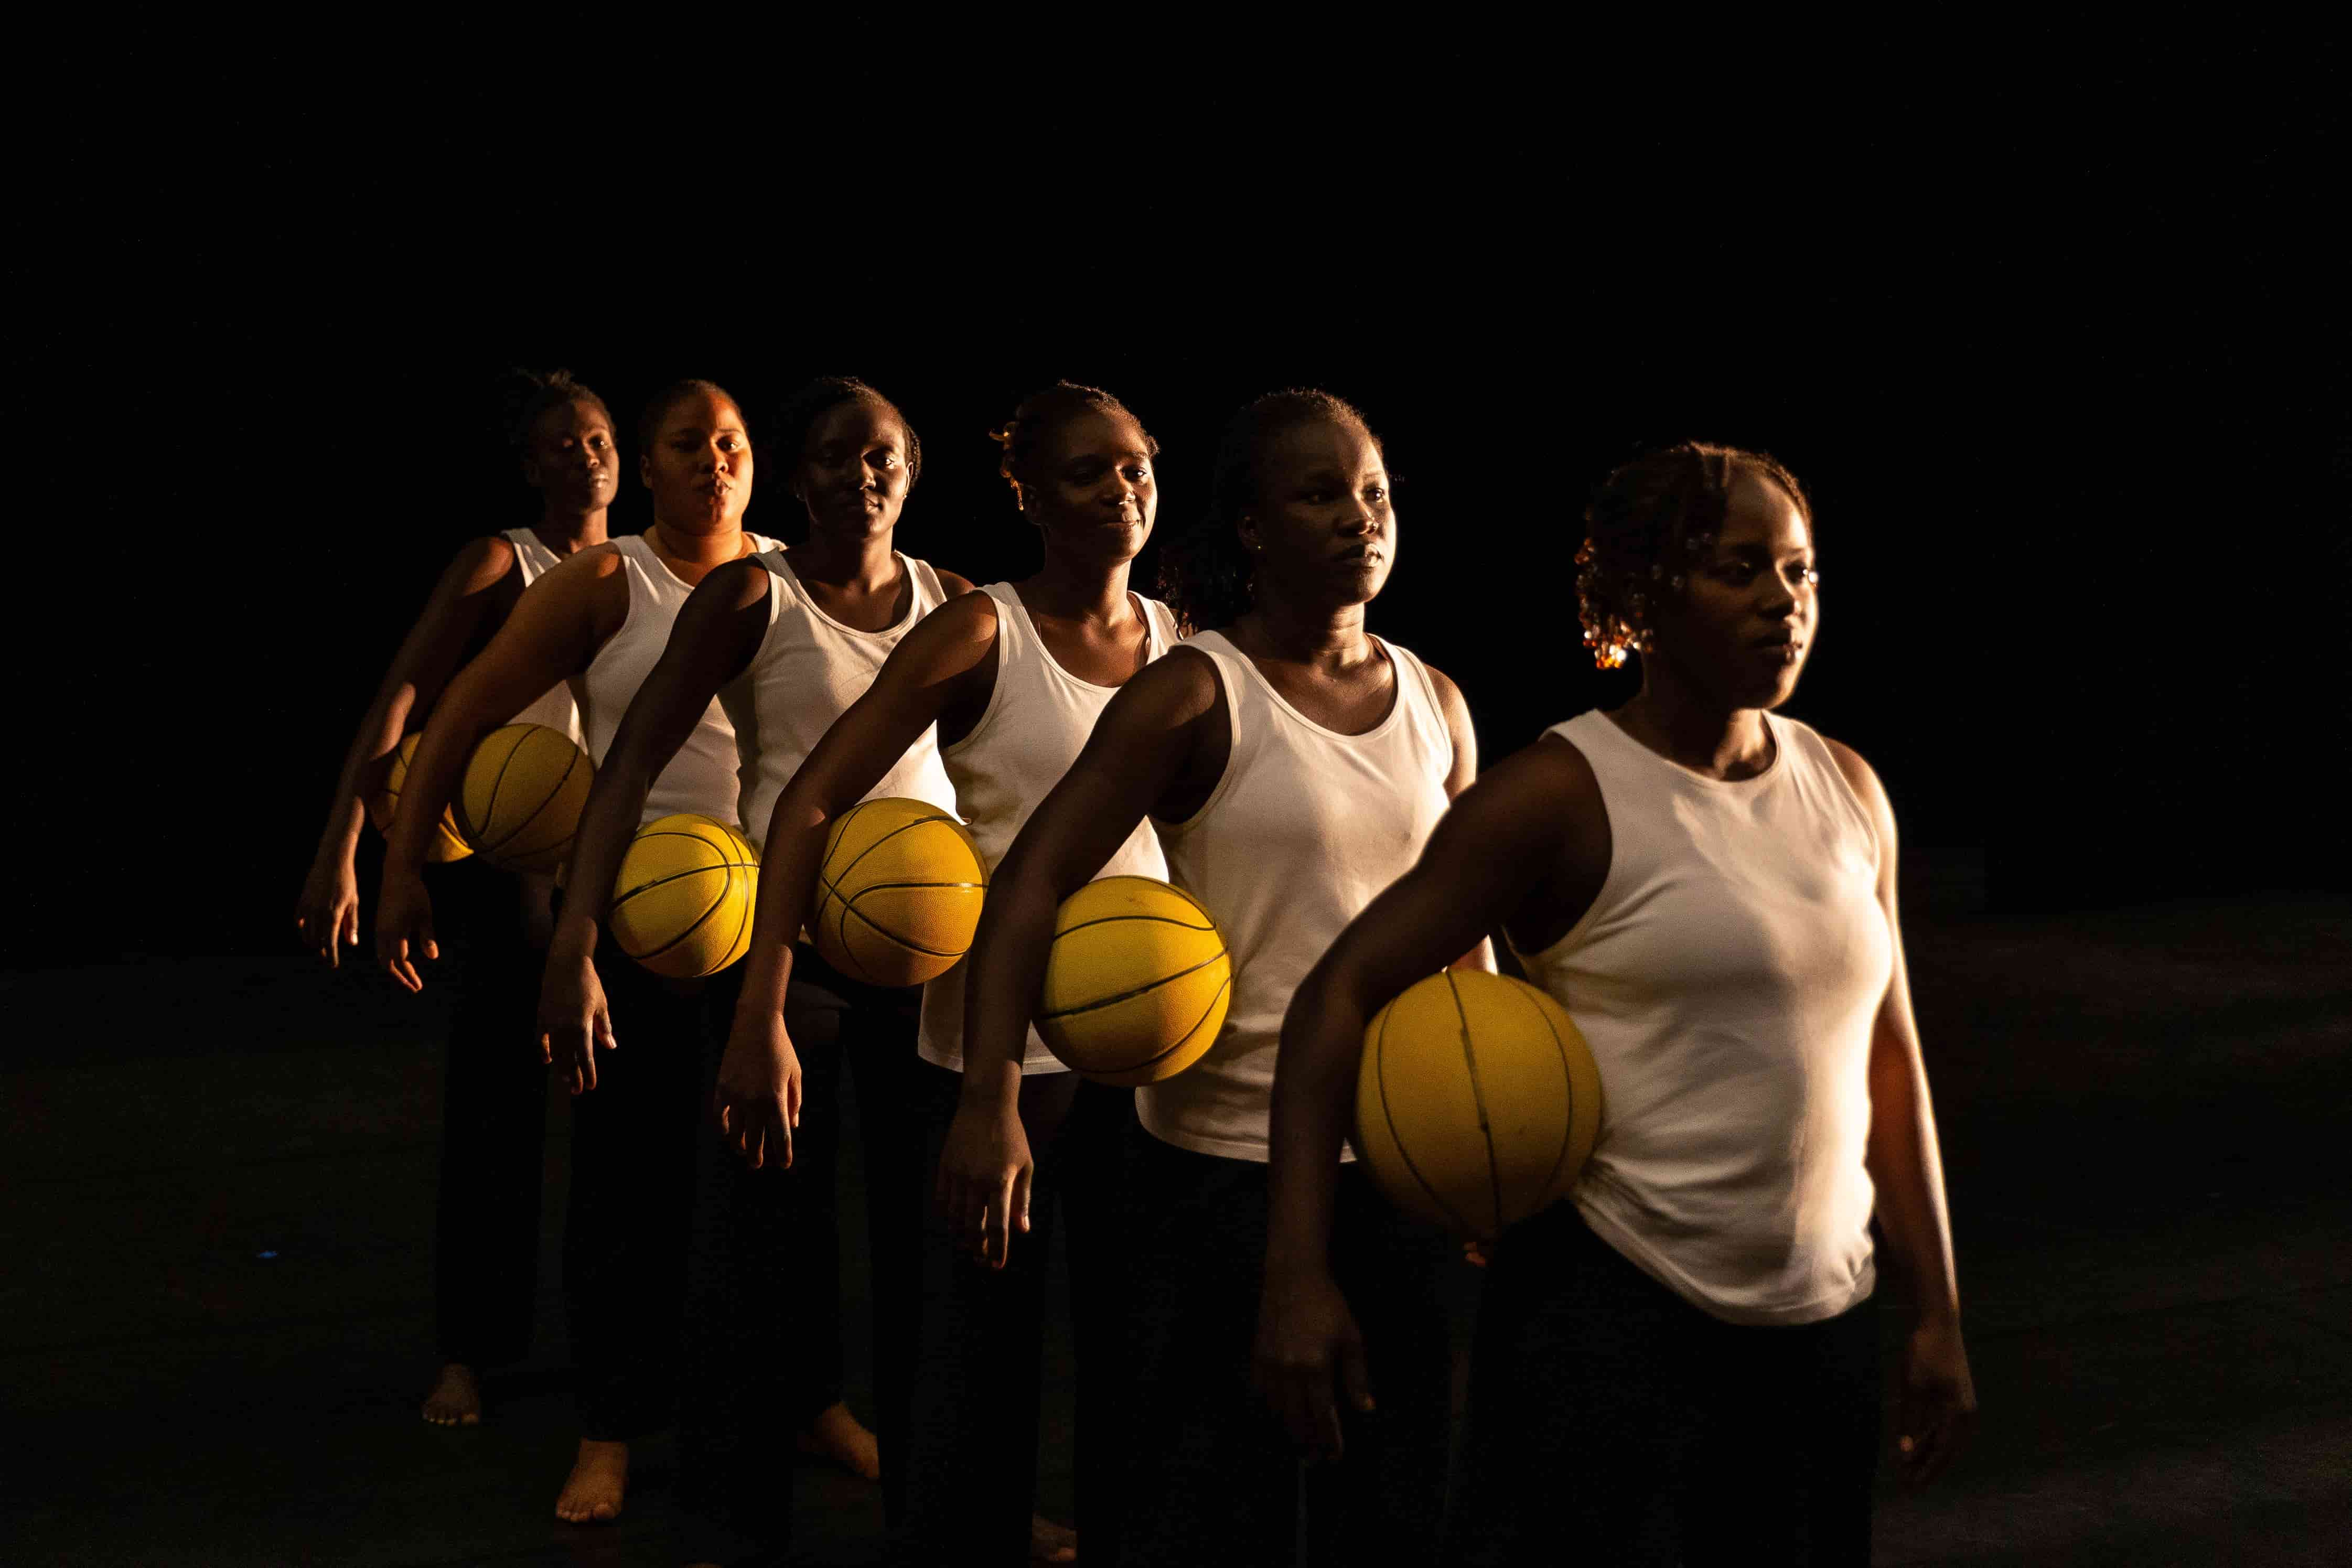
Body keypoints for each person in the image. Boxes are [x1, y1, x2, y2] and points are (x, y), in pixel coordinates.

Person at [1254, 442, 1979, 1565]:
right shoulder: (1557, 794)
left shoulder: (1846, 787)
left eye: (1799, 573)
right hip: (1613, 1320)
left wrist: (1935, 1310)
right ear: (1644, 594)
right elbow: (1335, 997)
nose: (1781, 603)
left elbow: (1891, 1059)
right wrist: (1297, 1276)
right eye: (1738, 570)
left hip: (1820, 1329)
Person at [939, 389, 1479, 1565]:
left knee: (1392, 1515)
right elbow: (1026, 887)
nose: (1359, 517)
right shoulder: (1193, 692)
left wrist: (1482, 1136)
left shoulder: (1438, 703)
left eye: (1375, 492)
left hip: (1397, 1168)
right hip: (1212, 1179)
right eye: (1319, 492)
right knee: (1200, 1519)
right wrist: (989, 1095)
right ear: (1249, 526)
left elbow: (1464, 942)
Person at [713, 381, 1176, 1565]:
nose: (1120, 489)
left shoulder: (1180, 647)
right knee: (972, 1353)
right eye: (1086, 471)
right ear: (1026, 495)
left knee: (1131, 1357)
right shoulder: (982, 629)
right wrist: (762, 999)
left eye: (1134, 466)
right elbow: (814, 793)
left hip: (1139, 1047)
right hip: (992, 1053)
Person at [536, 375, 967, 1551]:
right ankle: (722, 1499)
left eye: (880, 454)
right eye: (831, 456)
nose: (860, 475)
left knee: (924, 1249)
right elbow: (624, 766)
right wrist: (572, 942)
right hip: (791, 957)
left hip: (929, 959)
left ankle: (930, 1485)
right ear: (797, 478)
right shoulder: (748, 594)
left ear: (912, 469)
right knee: (750, 1236)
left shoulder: (957, 604)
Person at [374, 379, 784, 1527]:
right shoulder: (607, 578)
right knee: (628, 1186)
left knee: (771, 1193)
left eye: (732, 442)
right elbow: (453, 714)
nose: (713, 460)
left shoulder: (786, 577)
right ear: (646, 469)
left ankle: (806, 1399)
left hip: (770, 929)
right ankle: (610, 1425)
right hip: (632, 916)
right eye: (686, 443)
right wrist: (400, 865)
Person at [295, 368, 613, 1428]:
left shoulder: (653, 567)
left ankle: (615, 1351)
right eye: (563, 443)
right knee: (497, 1110)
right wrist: (347, 848)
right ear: (530, 463)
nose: (588, 454)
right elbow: (402, 696)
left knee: (621, 1124)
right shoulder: (502, 560)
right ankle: (471, 1352)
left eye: (602, 436)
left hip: (632, 862)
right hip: (515, 860)